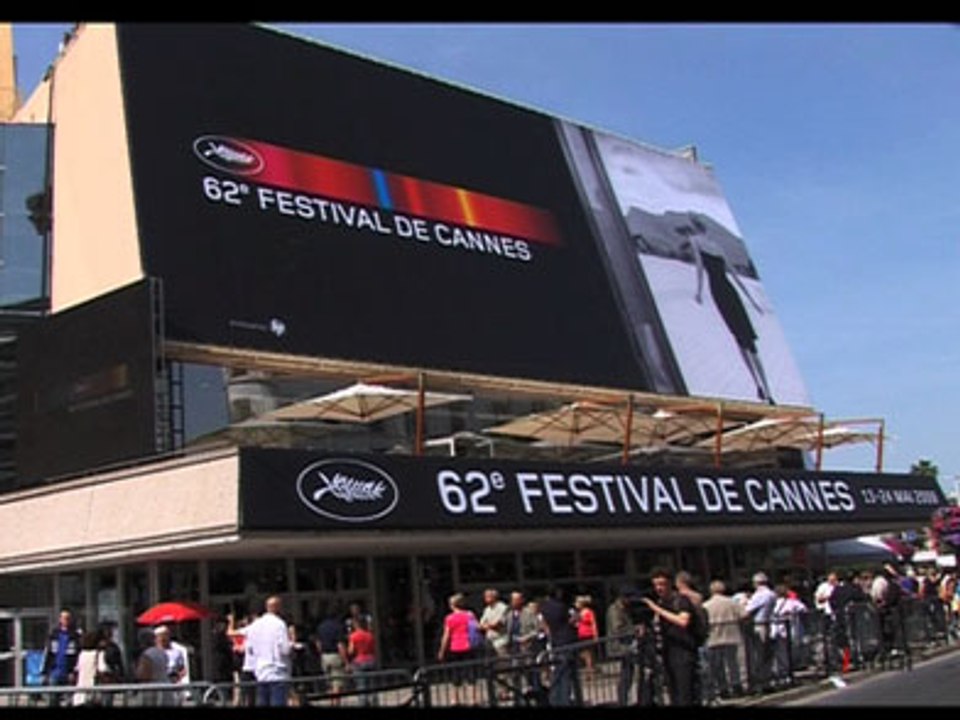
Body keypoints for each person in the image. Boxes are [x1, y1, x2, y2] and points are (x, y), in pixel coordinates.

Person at [680, 214, 774, 404]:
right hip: (731, 291)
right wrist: (752, 301)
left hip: (719, 293)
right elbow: (735, 276)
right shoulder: (717, 246)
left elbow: (700, 268)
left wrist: (698, 292)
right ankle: (767, 389)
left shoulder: (695, 241)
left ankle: (758, 384)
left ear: (694, 227)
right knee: (748, 340)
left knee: (739, 340)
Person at [642, 568, 699, 706]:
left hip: (683, 653)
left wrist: (657, 609)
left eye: (662, 584)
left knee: (685, 694)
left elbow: (683, 621)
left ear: (670, 584)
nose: (659, 588)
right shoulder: (660, 602)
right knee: (674, 694)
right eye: (656, 585)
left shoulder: (680, 600)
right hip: (667, 653)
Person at [244, 595, 292, 707]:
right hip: (277, 671)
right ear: (278, 607)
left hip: (260, 671)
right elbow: (284, 649)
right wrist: (292, 647)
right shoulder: (280, 624)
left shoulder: (256, 625)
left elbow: (250, 648)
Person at [703, 579, 745, 700]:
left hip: (714, 637)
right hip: (731, 635)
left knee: (718, 666)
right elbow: (744, 614)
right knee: (733, 664)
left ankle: (723, 689)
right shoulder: (732, 602)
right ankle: (736, 686)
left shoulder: (706, 605)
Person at [540, 585, 582, 707]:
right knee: (566, 673)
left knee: (558, 672)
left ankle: (555, 699)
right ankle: (564, 700)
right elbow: (570, 620)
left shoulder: (544, 607)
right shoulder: (561, 606)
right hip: (566, 640)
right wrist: (575, 616)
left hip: (555, 641)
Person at [437, 592, 480, 706]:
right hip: (469, 646)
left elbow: (446, 635)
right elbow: (477, 628)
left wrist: (442, 650)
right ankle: (473, 699)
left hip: (455, 647)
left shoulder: (449, 618)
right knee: (471, 672)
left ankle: (455, 699)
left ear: (452, 605)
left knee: (455, 673)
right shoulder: (470, 615)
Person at [505, 590, 542, 705]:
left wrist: (527, 638)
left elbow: (537, 630)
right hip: (514, 648)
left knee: (531, 673)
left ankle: (535, 696)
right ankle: (518, 697)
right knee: (515, 673)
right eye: (513, 599)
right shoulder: (509, 614)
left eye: (517, 599)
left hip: (527, 648)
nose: (514, 602)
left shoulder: (529, 613)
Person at [744, 571, 777, 693]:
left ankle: (760, 683)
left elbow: (747, 611)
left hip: (758, 625)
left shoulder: (760, 595)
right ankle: (766, 680)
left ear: (756, 583)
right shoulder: (772, 594)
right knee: (766, 655)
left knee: (758, 655)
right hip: (767, 623)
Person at [40, 608, 82, 705]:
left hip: (69, 673)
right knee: (53, 700)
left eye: (67, 618)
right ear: (60, 619)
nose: (65, 620)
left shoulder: (75, 636)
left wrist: (74, 671)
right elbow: (48, 653)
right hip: (54, 672)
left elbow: (78, 655)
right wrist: (45, 672)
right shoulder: (54, 635)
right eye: (63, 618)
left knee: (69, 700)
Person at [605, 588, 637, 706]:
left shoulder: (624, 609)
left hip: (626, 645)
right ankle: (622, 700)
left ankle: (624, 699)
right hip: (619, 646)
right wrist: (635, 630)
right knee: (625, 675)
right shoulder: (615, 610)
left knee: (629, 673)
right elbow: (617, 629)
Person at [316, 605, 350, 705]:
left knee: (329, 683)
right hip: (335, 655)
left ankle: (331, 702)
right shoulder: (338, 627)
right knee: (337, 684)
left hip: (324, 656)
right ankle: (336, 703)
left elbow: (318, 643)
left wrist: (321, 653)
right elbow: (340, 645)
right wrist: (346, 661)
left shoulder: (320, 627)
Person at [135, 628, 174, 707]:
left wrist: (136, 672)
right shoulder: (162, 652)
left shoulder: (147, 655)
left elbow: (145, 675)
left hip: (152, 690)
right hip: (165, 686)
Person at [348, 614, 377, 706]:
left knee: (361, 685)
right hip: (370, 660)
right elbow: (373, 649)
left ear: (356, 624)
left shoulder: (353, 636)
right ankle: (374, 701)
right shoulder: (370, 635)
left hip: (359, 661)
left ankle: (363, 703)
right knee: (372, 684)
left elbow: (351, 651)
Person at [72, 629, 102, 706]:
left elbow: (77, 670)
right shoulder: (97, 654)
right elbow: (101, 669)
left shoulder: (81, 654)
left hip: (80, 691)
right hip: (92, 691)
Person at [479, 588, 509, 660]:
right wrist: (488, 626)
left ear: (494, 597)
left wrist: (487, 625)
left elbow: (498, 624)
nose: (485, 598)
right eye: (485, 596)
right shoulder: (487, 609)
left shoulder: (503, 607)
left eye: (487, 596)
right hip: (489, 641)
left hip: (500, 640)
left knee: (503, 663)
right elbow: (480, 625)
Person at [574, 595, 599, 679]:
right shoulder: (579, 613)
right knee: (584, 654)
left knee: (588, 654)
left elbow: (593, 623)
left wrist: (596, 635)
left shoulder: (589, 612)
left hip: (588, 634)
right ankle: (591, 668)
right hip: (581, 634)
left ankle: (590, 672)